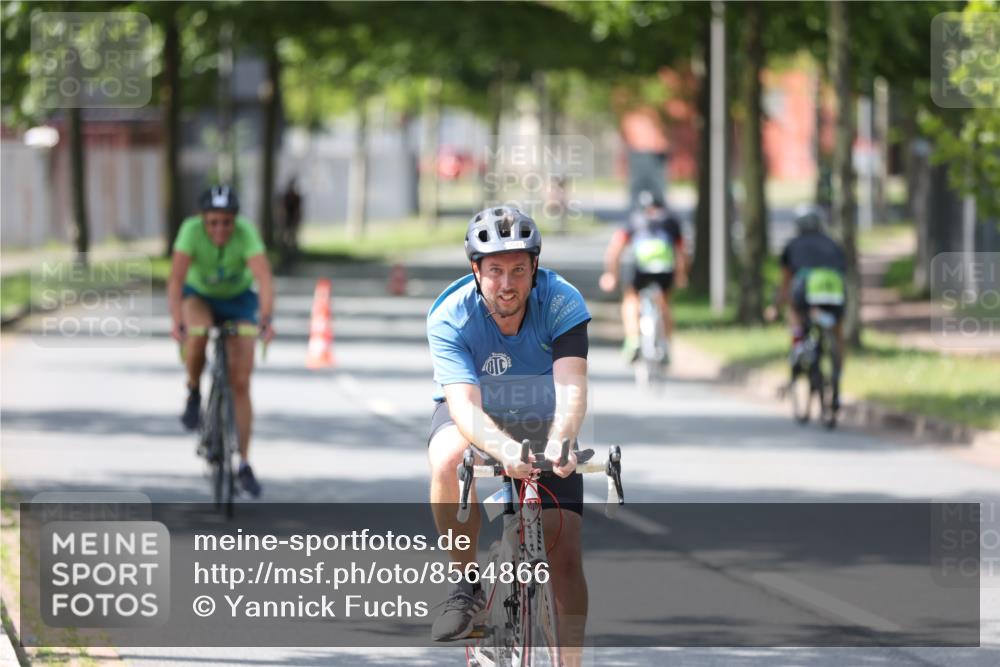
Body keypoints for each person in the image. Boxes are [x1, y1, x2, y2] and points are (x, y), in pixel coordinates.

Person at [426, 206, 592, 654]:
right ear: (475, 271)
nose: (507, 284)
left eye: (518, 269)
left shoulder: (562, 301)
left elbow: (572, 387)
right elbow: (464, 406)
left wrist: (561, 438)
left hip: (543, 414)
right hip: (476, 414)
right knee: (446, 458)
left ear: (535, 267)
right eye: (495, 270)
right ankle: (465, 587)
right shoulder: (449, 316)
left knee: (566, 552)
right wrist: (501, 448)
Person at [167, 185, 275, 497]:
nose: (220, 229)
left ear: (235, 221)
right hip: (199, 297)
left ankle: (243, 462)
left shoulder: (246, 233)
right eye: (212, 222)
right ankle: (192, 391)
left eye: (226, 222)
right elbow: (175, 280)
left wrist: (265, 319)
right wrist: (177, 320)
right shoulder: (189, 231)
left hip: (239, 301)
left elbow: (264, 278)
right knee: (198, 332)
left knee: (241, 383)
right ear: (202, 219)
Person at [769, 205, 847, 406]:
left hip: (806, 290)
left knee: (794, 310)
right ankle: (838, 377)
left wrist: (776, 306)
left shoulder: (793, 245)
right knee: (837, 332)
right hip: (834, 290)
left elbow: (785, 283)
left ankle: (798, 343)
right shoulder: (834, 244)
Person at [599, 191, 688, 362]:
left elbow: (615, 250)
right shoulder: (671, 221)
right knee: (664, 302)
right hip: (665, 269)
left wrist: (611, 275)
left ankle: (633, 340)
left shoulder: (634, 220)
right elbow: (681, 252)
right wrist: (681, 275)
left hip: (640, 268)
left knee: (631, 299)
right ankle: (666, 347)